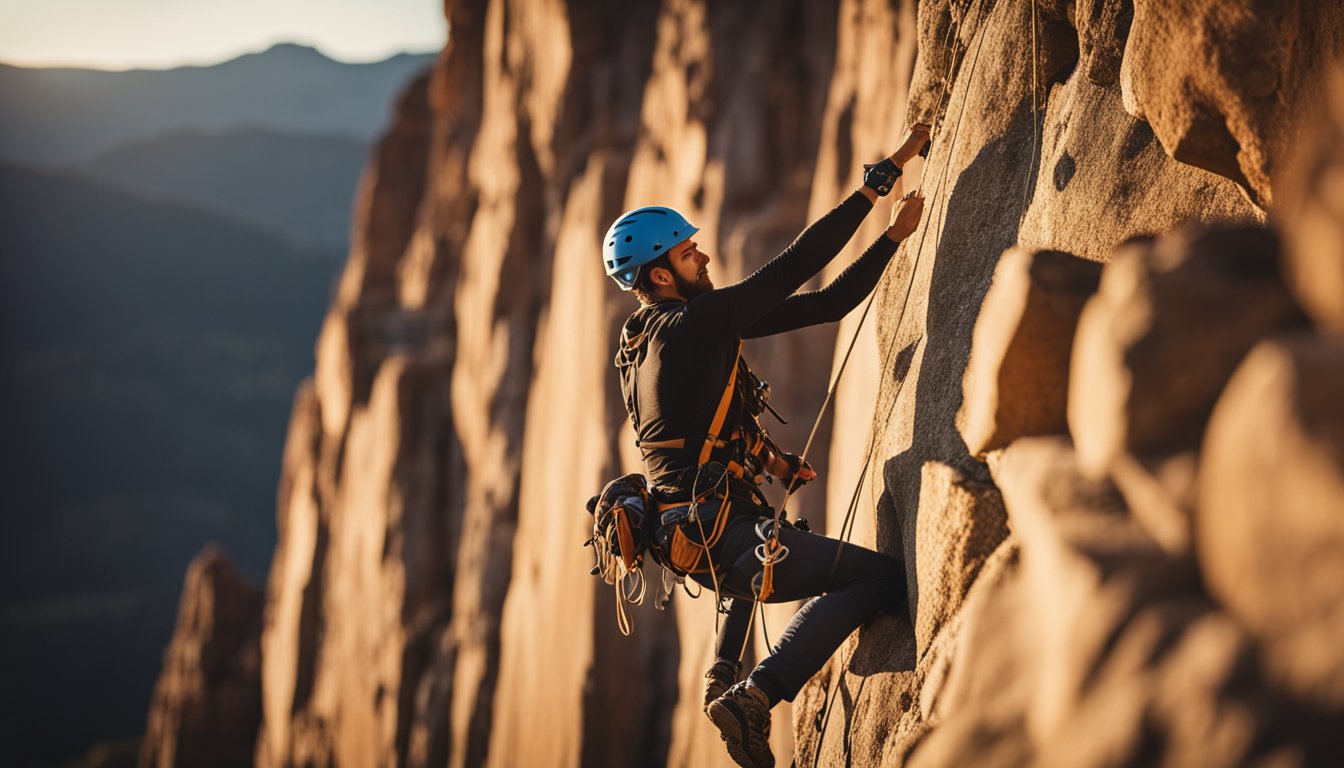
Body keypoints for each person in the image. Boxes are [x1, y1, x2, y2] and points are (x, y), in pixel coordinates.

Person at [604, 124, 930, 768]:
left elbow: (830, 303)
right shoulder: (694, 325)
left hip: (700, 532)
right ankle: (756, 696)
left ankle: (722, 674)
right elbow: (800, 265)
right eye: (689, 253)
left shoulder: (641, 344)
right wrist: (881, 180)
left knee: (762, 569)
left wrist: (893, 239)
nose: (702, 257)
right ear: (662, 275)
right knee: (877, 580)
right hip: (720, 534)